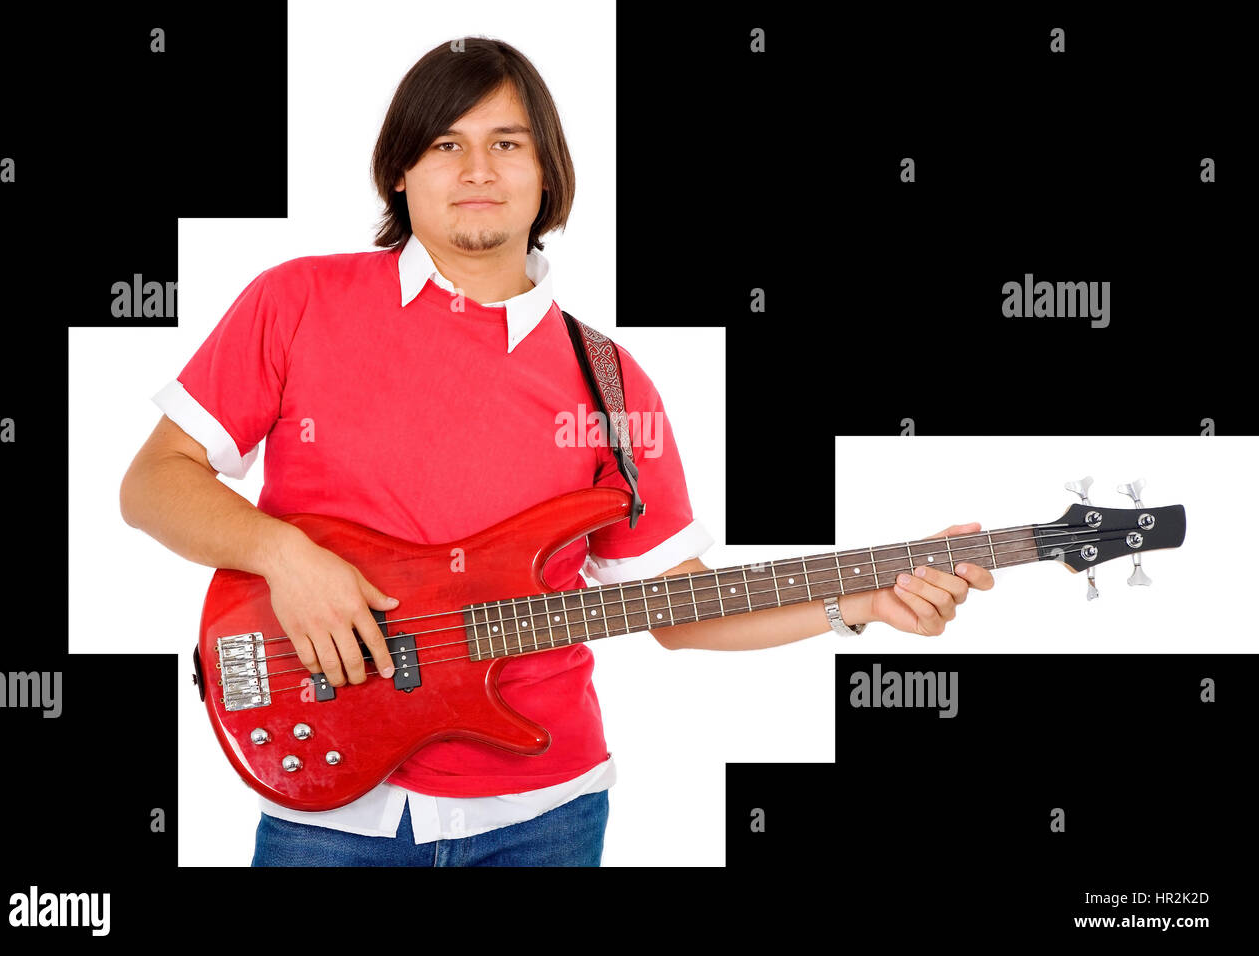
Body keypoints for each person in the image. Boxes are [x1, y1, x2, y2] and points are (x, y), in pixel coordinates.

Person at [118, 38, 992, 867]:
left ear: (546, 174)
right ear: (401, 170)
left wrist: (860, 599)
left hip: (545, 816)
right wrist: (283, 556)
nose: (477, 170)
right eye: (445, 144)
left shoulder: (612, 383)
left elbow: (674, 612)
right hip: (330, 806)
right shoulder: (297, 300)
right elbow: (153, 483)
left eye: (507, 143)